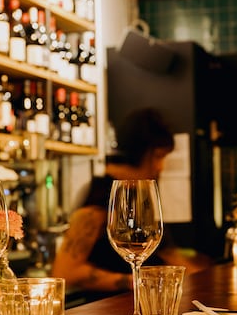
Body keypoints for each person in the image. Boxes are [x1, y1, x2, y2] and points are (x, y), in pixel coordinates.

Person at [51, 107, 214, 300]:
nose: (161, 167)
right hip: (109, 314)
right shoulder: (102, 197)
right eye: (158, 156)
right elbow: (65, 272)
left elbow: (165, 253)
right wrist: (134, 281)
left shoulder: (139, 193)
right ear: (140, 152)